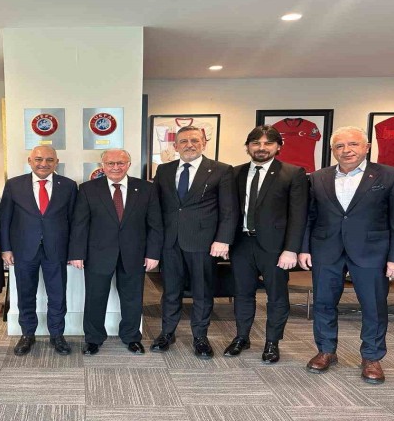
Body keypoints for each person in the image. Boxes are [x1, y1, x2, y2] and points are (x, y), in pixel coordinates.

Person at [298, 126, 394, 384]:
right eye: (339, 146)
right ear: (332, 150)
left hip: (372, 251)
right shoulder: (317, 177)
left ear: (366, 147)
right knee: (323, 302)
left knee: (373, 305)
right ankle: (326, 350)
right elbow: (309, 216)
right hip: (326, 249)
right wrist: (304, 248)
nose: (346, 150)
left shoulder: (390, 175)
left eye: (353, 144)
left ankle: (372, 356)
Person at [151, 126, 236, 358]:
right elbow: (156, 207)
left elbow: (229, 209)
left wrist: (223, 239)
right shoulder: (164, 170)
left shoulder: (221, 170)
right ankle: (167, 332)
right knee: (171, 291)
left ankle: (200, 337)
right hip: (170, 242)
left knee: (202, 292)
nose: (189, 145)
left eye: (195, 141)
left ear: (204, 143)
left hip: (203, 242)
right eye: (184, 141)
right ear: (175, 146)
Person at [225, 125, 308, 363]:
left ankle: (272, 342)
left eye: (268, 143)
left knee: (276, 296)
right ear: (247, 147)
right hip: (241, 244)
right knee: (242, 293)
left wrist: (291, 249)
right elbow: (229, 211)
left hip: (276, 248)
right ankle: (242, 337)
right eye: (256, 143)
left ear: (278, 146)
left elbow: (298, 215)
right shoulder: (235, 173)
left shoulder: (293, 173)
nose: (261, 148)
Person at [69, 149, 163, 355]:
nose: (115, 167)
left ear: (129, 164)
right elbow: (79, 224)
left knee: (132, 298)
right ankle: (93, 339)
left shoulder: (146, 188)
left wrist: (153, 253)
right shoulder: (87, 189)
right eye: (110, 163)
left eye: (121, 163)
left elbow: (155, 224)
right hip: (98, 254)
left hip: (134, 253)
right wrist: (76, 253)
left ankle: (131, 337)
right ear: (102, 165)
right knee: (95, 298)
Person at [0, 146, 77, 355]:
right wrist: (6, 248)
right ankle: (27, 334)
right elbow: (4, 219)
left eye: (49, 160)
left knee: (58, 295)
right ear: (30, 160)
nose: (44, 164)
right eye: (39, 159)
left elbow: (74, 221)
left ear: (56, 162)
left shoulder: (68, 186)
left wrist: (73, 251)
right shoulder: (14, 184)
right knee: (25, 294)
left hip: (57, 250)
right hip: (23, 249)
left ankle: (57, 335)